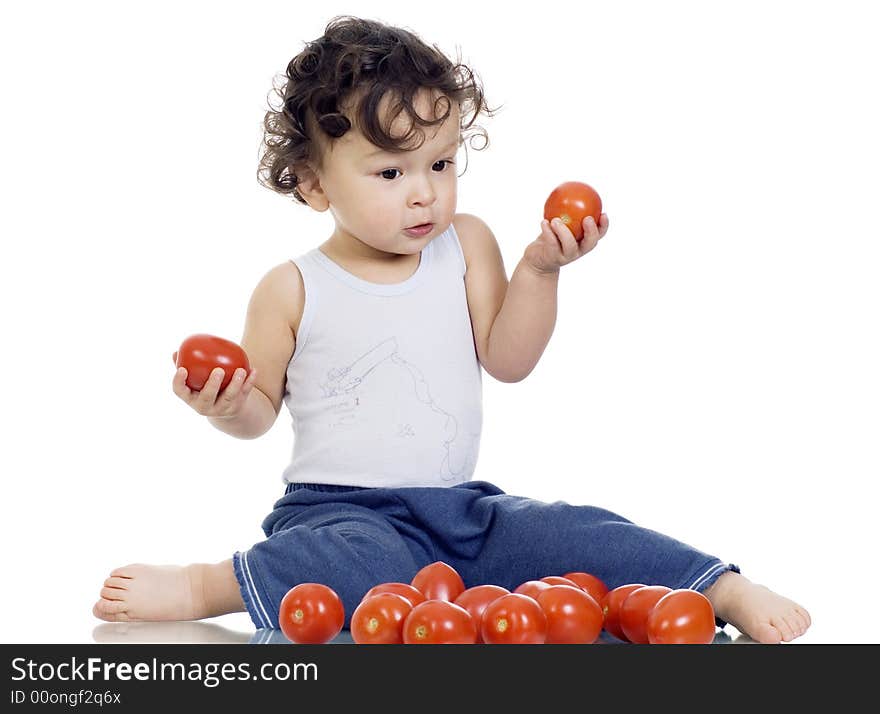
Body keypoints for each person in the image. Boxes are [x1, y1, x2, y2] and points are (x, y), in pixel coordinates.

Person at [93, 16, 810, 644]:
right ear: (314, 184)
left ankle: (719, 589)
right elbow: (257, 412)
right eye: (389, 171)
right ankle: (208, 586)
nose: (424, 191)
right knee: (365, 568)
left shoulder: (465, 245)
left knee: (570, 530)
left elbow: (508, 359)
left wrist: (540, 271)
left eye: (439, 163)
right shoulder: (292, 287)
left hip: (460, 511)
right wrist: (226, 403)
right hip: (339, 513)